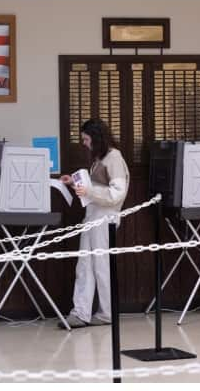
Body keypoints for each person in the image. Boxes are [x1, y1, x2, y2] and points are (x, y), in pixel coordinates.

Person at [58, 118, 130, 329]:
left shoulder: (113, 158)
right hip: (94, 215)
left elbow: (117, 193)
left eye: (86, 139)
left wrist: (88, 191)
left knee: (100, 266)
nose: (84, 143)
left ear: (97, 138)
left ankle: (106, 312)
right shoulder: (101, 157)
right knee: (86, 265)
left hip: (105, 217)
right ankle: (81, 312)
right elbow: (98, 187)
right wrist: (75, 183)